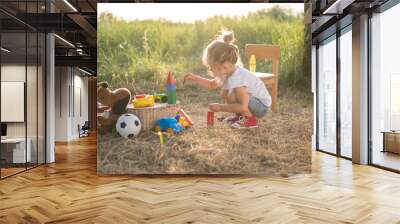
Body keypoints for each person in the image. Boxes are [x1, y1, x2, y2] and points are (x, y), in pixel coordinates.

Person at [184, 30, 271, 129]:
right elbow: (212, 84)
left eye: (212, 66)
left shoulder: (237, 78)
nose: (210, 69)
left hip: (260, 106)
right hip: (252, 103)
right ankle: (240, 117)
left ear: (223, 66)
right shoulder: (228, 72)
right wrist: (195, 78)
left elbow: (243, 106)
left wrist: (220, 107)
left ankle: (249, 120)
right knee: (226, 93)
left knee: (232, 93)